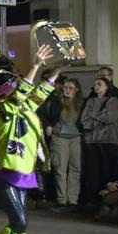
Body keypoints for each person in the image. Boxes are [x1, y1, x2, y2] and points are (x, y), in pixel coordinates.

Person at [0, 44, 61, 234]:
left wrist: (57, 71)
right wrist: (35, 65)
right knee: (19, 220)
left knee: (21, 223)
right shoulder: (1, 109)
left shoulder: (23, 107)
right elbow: (20, 96)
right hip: (4, 173)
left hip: (24, 172)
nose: (19, 89)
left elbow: (39, 92)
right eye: (14, 85)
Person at [80, 76, 118, 207]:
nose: (96, 86)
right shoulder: (90, 101)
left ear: (106, 87)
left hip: (108, 140)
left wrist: (93, 117)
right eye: (95, 84)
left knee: (106, 170)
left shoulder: (113, 101)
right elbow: (84, 120)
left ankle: (106, 199)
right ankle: (93, 197)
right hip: (92, 141)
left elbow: (110, 118)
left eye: (99, 84)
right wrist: (98, 119)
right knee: (93, 171)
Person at [43, 78, 84, 208]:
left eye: (70, 88)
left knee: (75, 168)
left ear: (76, 90)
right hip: (59, 136)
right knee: (60, 168)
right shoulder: (56, 102)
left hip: (76, 137)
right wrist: (48, 125)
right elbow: (43, 114)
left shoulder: (81, 103)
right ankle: (61, 198)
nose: (67, 90)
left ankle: (73, 198)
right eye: (65, 87)